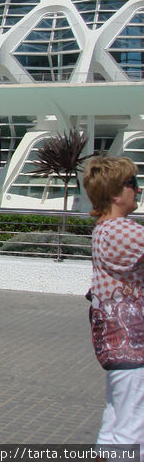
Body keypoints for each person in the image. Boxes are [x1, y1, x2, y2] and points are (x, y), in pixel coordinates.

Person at [82, 156, 144, 454]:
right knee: (134, 433)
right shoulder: (121, 230)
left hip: (119, 346)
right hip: (134, 346)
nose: (139, 190)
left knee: (116, 422)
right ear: (115, 193)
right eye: (132, 184)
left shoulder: (103, 230)